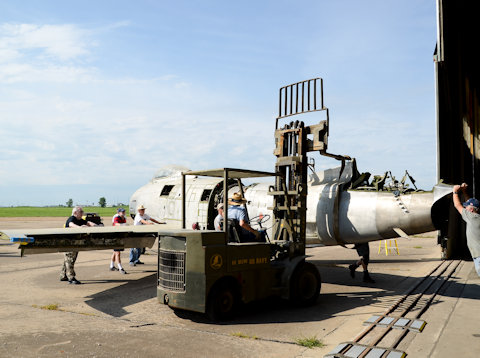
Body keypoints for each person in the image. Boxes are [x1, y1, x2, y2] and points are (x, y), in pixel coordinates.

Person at [61, 206, 97, 285]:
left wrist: (95, 225)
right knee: (70, 260)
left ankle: (63, 275)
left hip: (75, 243)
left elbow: (88, 223)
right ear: (75, 213)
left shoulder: (80, 220)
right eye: (81, 212)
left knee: (67, 259)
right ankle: (71, 278)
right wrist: (80, 228)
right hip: (69, 243)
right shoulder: (72, 218)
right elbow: (71, 225)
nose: (82, 213)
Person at [452, 183, 480, 277]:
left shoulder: (471, 218)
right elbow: (469, 203)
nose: (465, 208)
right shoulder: (476, 217)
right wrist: (464, 191)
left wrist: (455, 191)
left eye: (466, 207)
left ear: (471, 210)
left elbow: (457, 205)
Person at [110, 208, 127, 274]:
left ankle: (111, 266)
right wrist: (123, 225)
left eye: (123, 211)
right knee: (117, 253)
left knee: (115, 252)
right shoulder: (116, 217)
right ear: (119, 212)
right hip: (115, 236)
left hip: (120, 236)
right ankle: (120, 268)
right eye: (121, 212)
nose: (123, 213)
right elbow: (116, 223)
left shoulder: (124, 218)